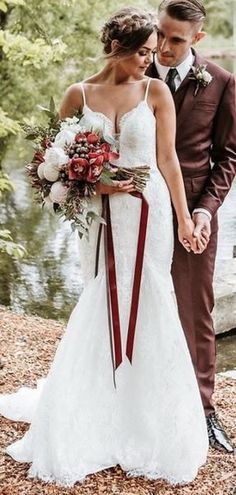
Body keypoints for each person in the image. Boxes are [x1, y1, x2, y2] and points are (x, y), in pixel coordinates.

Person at [0, 7, 209, 487]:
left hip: (149, 214)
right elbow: (46, 168)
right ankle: (94, 411)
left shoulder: (156, 92)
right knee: (100, 297)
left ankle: (147, 419)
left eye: (155, 54)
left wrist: (183, 218)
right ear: (117, 49)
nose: (150, 63)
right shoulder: (78, 94)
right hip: (100, 220)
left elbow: (168, 162)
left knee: (151, 299)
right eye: (143, 54)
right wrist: (95, 186)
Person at [146, 0, 236, 453]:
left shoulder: (221, 83)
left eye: (175, 39)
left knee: (196, 313)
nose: (162, 46)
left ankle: (203, 411)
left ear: (196, 40)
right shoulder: (133, 76)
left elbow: (228, 158)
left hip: (195, 215)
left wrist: (203, 212)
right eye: (160, 33)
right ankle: (139, 402)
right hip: (138, 211)